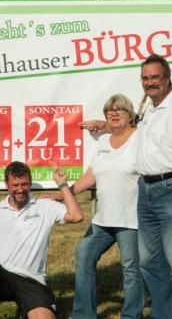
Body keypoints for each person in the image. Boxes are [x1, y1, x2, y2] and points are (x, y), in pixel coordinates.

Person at [84, 54, 172, 319]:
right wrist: (106, 126)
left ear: (167, 77)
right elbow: (133, 131)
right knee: (149, 263)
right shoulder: (150, 108)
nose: (150, 83)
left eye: (155, 77)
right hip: (146, 192)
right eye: (145, 78)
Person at [0, 161, 84, 319]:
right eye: (15, 185)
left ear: (30, 182)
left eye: (24, 184)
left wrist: (63, 185)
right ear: (7, 185)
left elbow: (76, 216)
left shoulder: (44, 206)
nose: (20, 190)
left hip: (32, 281)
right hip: (1, 278)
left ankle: (27, 308)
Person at [61, 93, 143, 319]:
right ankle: (83, 315)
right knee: (84, 253)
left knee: (130, 270)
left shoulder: (140, 138)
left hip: (130, 220)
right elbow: (91, 176)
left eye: (120, 110)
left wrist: (106, 125)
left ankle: (131, 315)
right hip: (103, 219)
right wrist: (64, 193)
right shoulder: (104, 142)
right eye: (109, 110)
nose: (114, 113)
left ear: (130, 115)